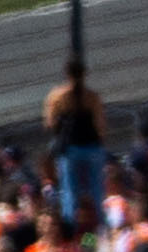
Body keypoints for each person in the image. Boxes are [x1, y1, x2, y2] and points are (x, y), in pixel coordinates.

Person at [43, 62, 109, 220]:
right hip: (92, 146)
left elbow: (50, 123)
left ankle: (71, 227)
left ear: (67, 74)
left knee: (70, 192)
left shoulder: (58, 96)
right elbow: (100, 126)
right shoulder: (92, 97)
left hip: (69, 148)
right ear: (84, 74)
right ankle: (99, 225)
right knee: (96, 190)